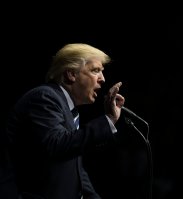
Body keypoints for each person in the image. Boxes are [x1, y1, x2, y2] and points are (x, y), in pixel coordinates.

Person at [5, 43, 125, 199]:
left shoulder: (70, 110)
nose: (102, 79)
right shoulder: (44, 98)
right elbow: (56, 144)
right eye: (95, 70)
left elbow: (75, 170)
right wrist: (108, 120)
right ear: (71, 74)